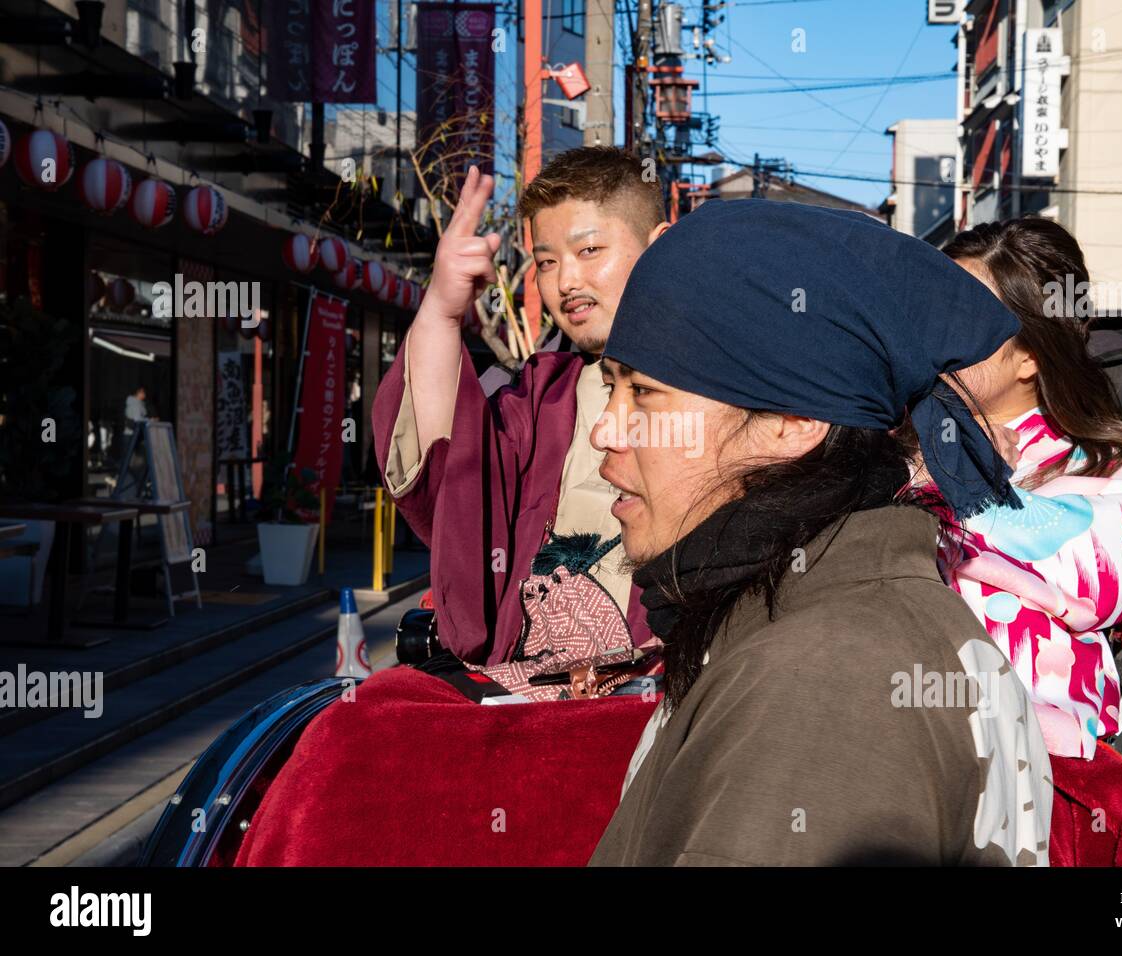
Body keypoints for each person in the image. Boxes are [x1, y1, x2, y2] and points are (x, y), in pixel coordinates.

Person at [588, 199, 1054, 867]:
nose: (605, 429)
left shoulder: (823, 682)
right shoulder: (835, 615)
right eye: (610, 388)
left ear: (792, 421)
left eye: (646, 394)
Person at [936, 216, 1122, 865]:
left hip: (1030, 769)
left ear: (1029, 352)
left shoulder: (1112, 474)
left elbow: (1073, 571)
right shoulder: (889, 447)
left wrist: (949, 478)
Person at [372, 148, 669, 663]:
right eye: (547, 261)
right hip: (529, 694)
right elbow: (455, 472)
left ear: (659, 247)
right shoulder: (541, 396)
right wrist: (443, 310)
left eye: (590, 249)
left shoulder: (724, 389)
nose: (566, 281)